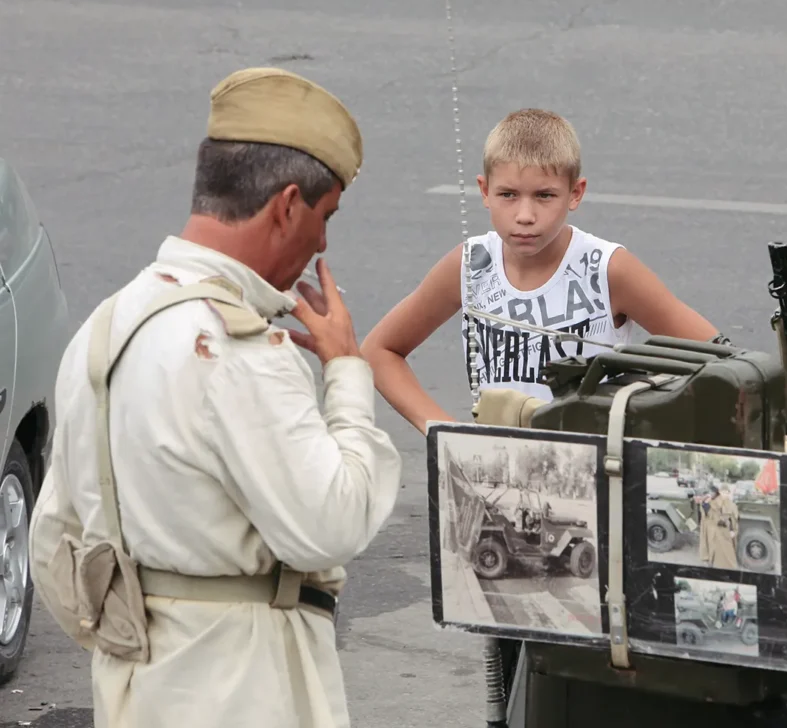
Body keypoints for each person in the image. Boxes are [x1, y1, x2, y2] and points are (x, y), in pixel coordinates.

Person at [28, 67, 403, 728]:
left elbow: (53, 542)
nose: (322, 244)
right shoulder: (236, 350)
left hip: (135, 687)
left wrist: (137, 635)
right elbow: (332, 525)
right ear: (288, 205)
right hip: (245, 690)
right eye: (325, 217)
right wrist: (346, 373)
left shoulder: (108, 325)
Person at [362, 107, 724, 433]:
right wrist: (443, 432)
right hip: (493, 474)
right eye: (508, 195)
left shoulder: (607, 270)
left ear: (575, 193)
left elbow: (722, 361)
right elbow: (380, 350)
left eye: (544, 196)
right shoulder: (471, 265)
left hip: (592, 472)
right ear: (484, 191)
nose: (524, 215)